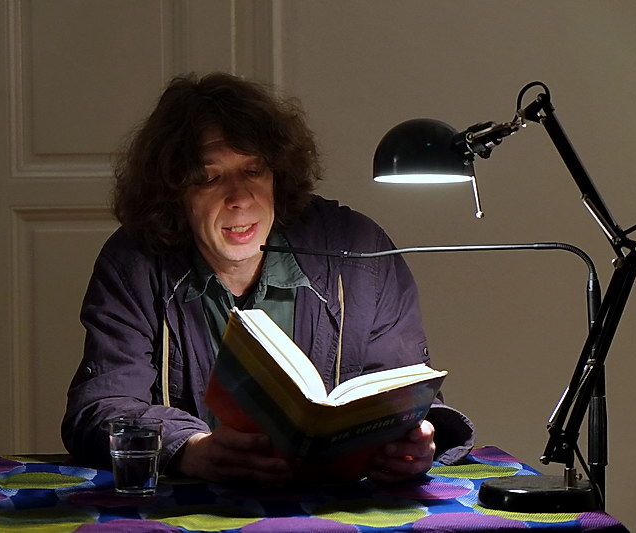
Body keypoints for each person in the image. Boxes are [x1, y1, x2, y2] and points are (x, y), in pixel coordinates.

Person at [62, 72, 474, 485]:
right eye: (210, 178)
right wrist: (189, 449)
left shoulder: (359, 251)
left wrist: (417, 441)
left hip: (336, 506)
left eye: (254, 170)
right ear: (174, 193)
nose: (240, 198)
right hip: (189, 506)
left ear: (278, 174)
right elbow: (100, 408)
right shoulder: (134, 262)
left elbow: (410, 395)